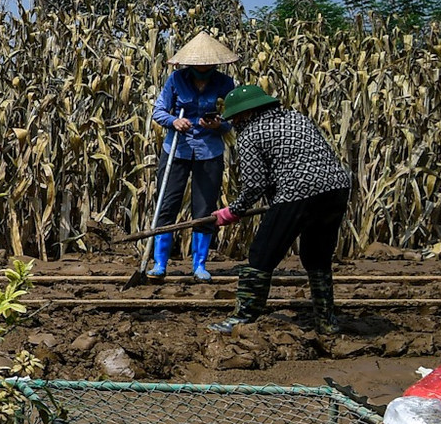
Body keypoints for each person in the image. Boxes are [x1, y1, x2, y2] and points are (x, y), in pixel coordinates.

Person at [207, 83, 353, 334]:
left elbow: (255, 185)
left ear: (246, 113)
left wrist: (232, 212)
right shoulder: (298, 118)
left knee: (261, 254)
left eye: (237, 118)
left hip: (297, 191)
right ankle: (327, 321)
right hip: (336, 189)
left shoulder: (251, 134)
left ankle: (243, 317)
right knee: (316, 256)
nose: (236, 123)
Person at [149, 32, 238, 281]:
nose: (202, 68)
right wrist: (174, 121)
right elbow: (158, 111)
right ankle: (160, 263)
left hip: (209, 151)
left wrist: (218, 125)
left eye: (207, 64)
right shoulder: (177, 80)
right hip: (177, 149)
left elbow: (233, 118)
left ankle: (199, 264)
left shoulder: (225, 83)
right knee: (167, 204)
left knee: (204, 208)